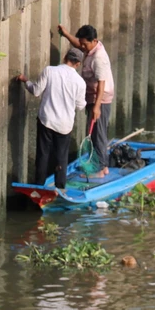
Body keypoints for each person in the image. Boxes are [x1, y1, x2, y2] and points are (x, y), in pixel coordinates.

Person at [16, 48, 88, 189]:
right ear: (78, 64)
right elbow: (80, 106)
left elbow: (36, 91)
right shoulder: (80, 82)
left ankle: (38, 185)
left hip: (46, 120)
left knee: (43, 154)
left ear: (65, 57)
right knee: (61, 156)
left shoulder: (49, 71)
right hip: (64, 125)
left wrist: (26, 81)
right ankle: (60, 187)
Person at [57, 24, 115, 177]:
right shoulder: (90, 48)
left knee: (98, 134)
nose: (82, 46)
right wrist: (66, 34)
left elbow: (101, 84)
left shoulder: (99, 57)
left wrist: (97, 107)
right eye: (81, 43)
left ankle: (101, 169)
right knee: (95, 131)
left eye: (84, 44)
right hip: (92, 97)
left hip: (100, 99)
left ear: (94, 40)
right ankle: (103, 165)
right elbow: (78, 43)